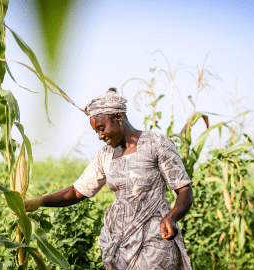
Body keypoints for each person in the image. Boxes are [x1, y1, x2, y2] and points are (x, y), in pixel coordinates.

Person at [24, 88, 193, 270]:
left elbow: (184, 189)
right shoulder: (105, 156)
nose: (100, 136)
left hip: (154, 234)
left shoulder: (156, 143)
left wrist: (172, 217)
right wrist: (40, 202)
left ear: (118, 117)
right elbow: (76, 191)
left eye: (102, 129)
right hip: (119, 240)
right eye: (96, 131)